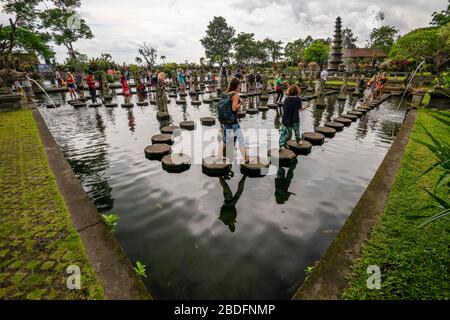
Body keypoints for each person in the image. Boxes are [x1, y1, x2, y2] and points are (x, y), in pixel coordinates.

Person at [216, 77, 249, 163]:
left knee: (225, 140)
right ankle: (246, 159)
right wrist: (241, 103)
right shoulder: (235, 95)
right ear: (237, 85)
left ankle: (218, 157)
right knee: (241, 139)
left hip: (225, 121)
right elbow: (234, 108)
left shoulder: (225, 94)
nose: (240, 87)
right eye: (239, 85)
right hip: (233, 122)